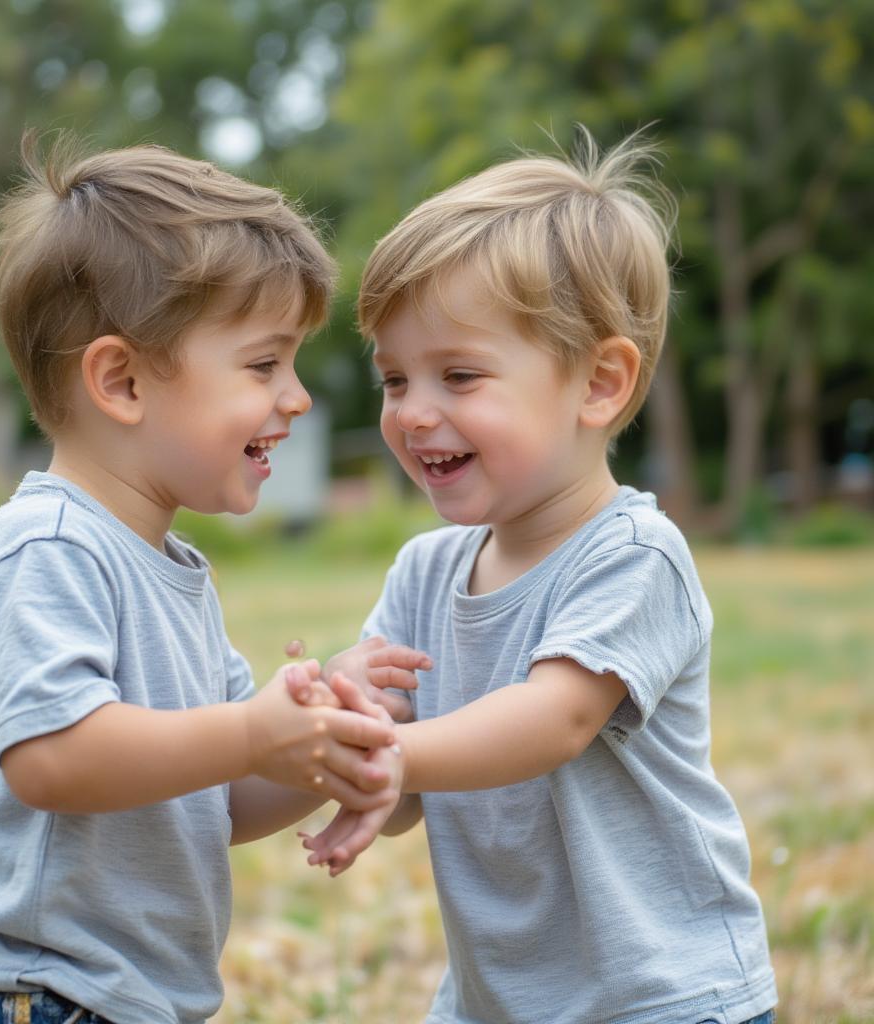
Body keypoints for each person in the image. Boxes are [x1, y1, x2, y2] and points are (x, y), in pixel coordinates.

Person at [0, 135, 428, 1024]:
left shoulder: (174, 570)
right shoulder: (49, 547)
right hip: (34, 996)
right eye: (264, 363)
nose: (296, 396)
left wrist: (316, 735)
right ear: (122, 381)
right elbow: (53, 757)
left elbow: (219, 797)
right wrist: (251, 731)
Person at [300, 129, 778, 1024]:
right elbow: (411, 795)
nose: (413, 413)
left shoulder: (632, 555)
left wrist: (395, 758)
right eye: (395, 378)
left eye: (460, 374)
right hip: (499, 1001)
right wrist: (352, 721)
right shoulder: (422, 572)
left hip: (663, 997)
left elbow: (551, 720)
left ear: (599, 383)